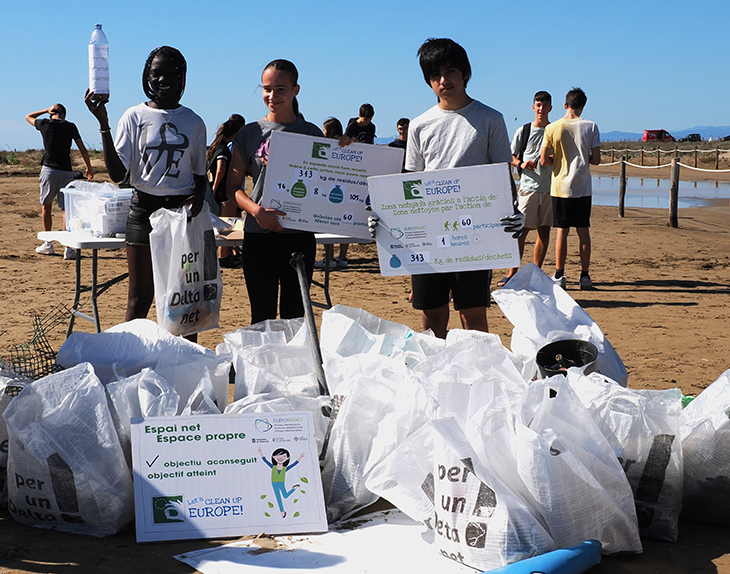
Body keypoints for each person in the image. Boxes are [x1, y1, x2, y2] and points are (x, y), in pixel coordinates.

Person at [395, 37, 522, 338]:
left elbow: (502, 173)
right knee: (432, 316)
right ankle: (435, 377)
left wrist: (511, 210)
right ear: (428, 81)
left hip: (475, 232)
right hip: (429, 234)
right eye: (435, 75)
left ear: (465, 73)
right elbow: (413, 182)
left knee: (473, 314)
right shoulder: (419, 125)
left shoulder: (491, 119)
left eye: (450, 71)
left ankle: (478, 378)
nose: (443, 80)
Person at [84, 46, 208, 323]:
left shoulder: (194, 122)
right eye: (155, 74)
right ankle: (132, 361)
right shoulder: (133, 117)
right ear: (146, 77)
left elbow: (200, 176)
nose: (162, 80)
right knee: (139, 298)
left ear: (182, 79)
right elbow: (118, 174)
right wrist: (104, 125)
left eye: (170, 74)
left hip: (182, 216)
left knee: (183, 298)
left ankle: (184, 361)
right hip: (143, 213)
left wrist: (199, 197)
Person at [226, 59, 324, 324]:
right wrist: (257, 212)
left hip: (300, 236)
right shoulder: (249, 133)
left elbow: (327, 181)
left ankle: (294, 367)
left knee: (295, 316)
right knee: (262, 316)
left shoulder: (312, 133)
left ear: (296, 90)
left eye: (280, 89)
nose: (272, 95)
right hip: (259, 237)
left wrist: (346, 148)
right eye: (267, 88)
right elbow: (233, 189)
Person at [540, 87, 600, 290]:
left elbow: (543, 160)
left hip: (560, 187)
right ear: (582, 107)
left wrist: (557, 158)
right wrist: (584, 157)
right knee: (583, 231)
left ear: (565, 105)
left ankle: (560, 274)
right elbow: (597, 159)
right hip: (582, 186)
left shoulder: (552, 128)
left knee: (561, 232)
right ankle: (584, 275)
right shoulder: (591, 126)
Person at [499, 91, 553, 287]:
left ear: (550, 108)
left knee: (544, 232)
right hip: (528, 188)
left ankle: (535, 273)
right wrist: (522, 164)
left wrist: (551, 161)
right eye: (538, 105)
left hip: (549, 189)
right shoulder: (524, 130)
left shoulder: (554, 130)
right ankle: (512, 273)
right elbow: (509, 156)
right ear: (533, 107)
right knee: (521, 231)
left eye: (544, 105)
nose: (541, 109)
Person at [26, 104, 94, 259]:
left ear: (52, 114)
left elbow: (28, 117)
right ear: (64, 113)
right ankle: (68, 248)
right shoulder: (70, 126)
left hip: (49, 170)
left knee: (46, 206)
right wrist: (88, 167)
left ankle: (48, 243)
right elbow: (82, 148)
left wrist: (44, 110)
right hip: (66, 171)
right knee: (66, 210)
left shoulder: (45, 123)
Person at [207, 117, 243, 267]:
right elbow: (220, 169)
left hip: (219, 190)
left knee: (224, 223)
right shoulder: (223, 149)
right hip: (224, 191)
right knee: (227, 224)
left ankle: (225, 256)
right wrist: (215, 188)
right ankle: (224, 257)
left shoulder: (216, 147)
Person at [315, 118, 349, 270]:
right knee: (343, 225)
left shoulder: (328, 145)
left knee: (328, 223)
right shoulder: (347, 143)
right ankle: (341, 257)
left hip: (330, 189)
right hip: (346, 189)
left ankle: (329, 258)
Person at [258, 447, 303, 518]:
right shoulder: (273, 467)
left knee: (285, 495)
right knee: (278, 497)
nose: (280, 458)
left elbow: (294, 464)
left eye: (284, 456)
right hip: (274, 483)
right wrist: (261, 452)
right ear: (274, 457)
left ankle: (294, 488)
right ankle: (282, 511)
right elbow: (265, 460)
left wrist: (300, 457)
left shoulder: (285, 468)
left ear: (287, 458)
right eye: (278, 456)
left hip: (281, 483)